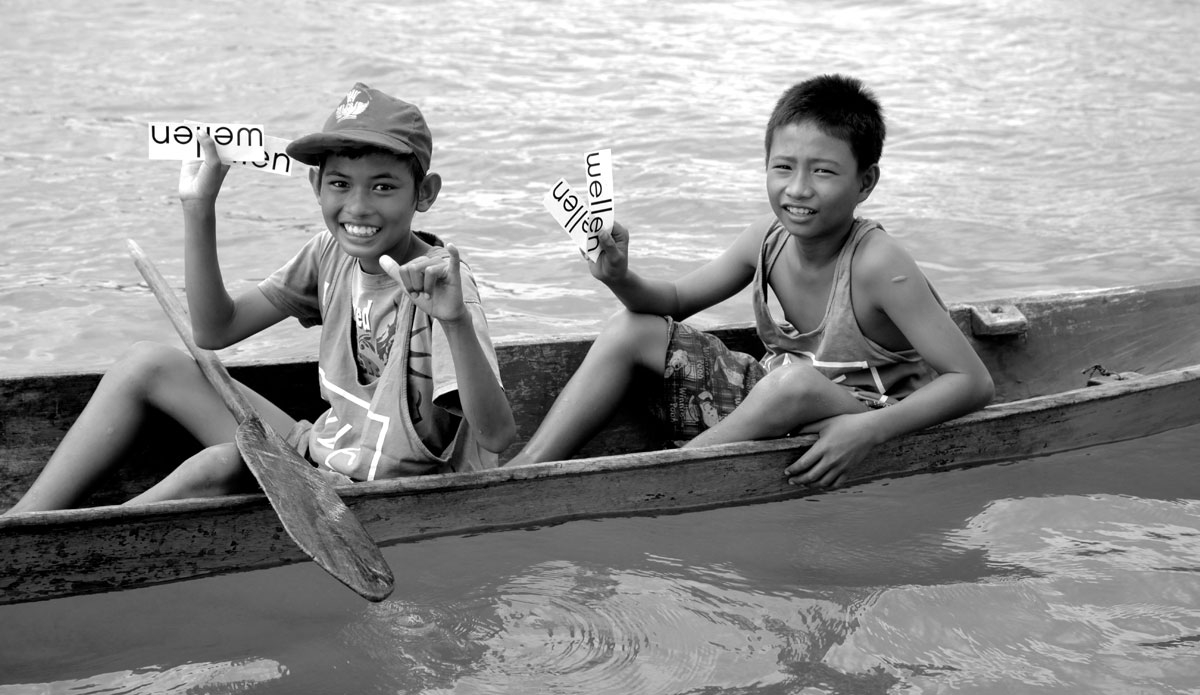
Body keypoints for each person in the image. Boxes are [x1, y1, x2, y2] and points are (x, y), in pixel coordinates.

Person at [6, 83, 515, 513]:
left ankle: (63, 548)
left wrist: (455, 322)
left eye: (383, 187)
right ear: (317, 185)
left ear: (424, 193)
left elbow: (495, 437)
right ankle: (20, 526)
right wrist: (199, 208)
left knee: (219, 466)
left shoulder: (441, 283)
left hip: (389, 494)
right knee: (146, 364)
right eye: (340, 184)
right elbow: (215, 330)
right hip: (318, 455)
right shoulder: (328, 254)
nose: (358, 206)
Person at [507, 74, 994, 488]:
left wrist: (870, 431)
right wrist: (619, 277)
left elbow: (972, 382)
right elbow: (672, 300)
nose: (798, 188)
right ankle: (526, 469)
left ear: (865, 182)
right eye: (783, 167)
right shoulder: (767, 239)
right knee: (631, 326)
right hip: (775, 396)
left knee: (792, 384)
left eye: (823, 172)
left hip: (862, 415)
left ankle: (662, 481)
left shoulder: (880, 264)